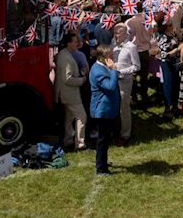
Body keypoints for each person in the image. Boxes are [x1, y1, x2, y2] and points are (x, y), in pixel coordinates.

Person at [89, 44, 120, 176]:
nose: (112, 57)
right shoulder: (98, 71)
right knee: (102, 139)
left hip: (107, 109)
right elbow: (110, 86)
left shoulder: (101, 67)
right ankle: (101, 168)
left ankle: (103, 162)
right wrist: (113, 70)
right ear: (103, 57)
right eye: (110, 55)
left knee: (105, 138)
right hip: (102, 110)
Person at [54, 32, 87, 151]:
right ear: (68, 43)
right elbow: (67, 79)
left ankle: (68, 140)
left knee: (69, 118)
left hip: (65, 93)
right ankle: (80, 143)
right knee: (81, 117)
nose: (77, 43)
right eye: (74, 41)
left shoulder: (64, 54)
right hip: (69, 94)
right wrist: (82, 80)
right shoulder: (66, 58)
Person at [113, 23, 140, 146]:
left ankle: (125, 135)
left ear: (125, 33)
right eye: (115, 32)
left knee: (124, 108)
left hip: (125, 81)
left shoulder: (131, 47)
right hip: (113, 81)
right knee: (115, 107)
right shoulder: (113, 45)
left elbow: (136, 66)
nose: (115, 35)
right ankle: (116, 131)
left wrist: (122, 72)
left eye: (118, 32)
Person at [125, 3, 152, 104]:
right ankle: (144, 96)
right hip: (144, 49)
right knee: (144, 75)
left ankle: (135, 96)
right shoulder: (147, 20)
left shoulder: (129, 22)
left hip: (135, 50)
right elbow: (151, 32)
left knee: (134, 74)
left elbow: (127, 37)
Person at [154, 19, 180, 118]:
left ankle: (174, 105)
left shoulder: (173, 34)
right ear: (165, 27)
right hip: (167, 64)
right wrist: (176, 50)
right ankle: (168, 107)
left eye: (171, 24)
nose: (172, 26)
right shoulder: (162, 37)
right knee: (168, 85)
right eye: (169, 25)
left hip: (175, 63)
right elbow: (163, 54)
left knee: (175, 84)